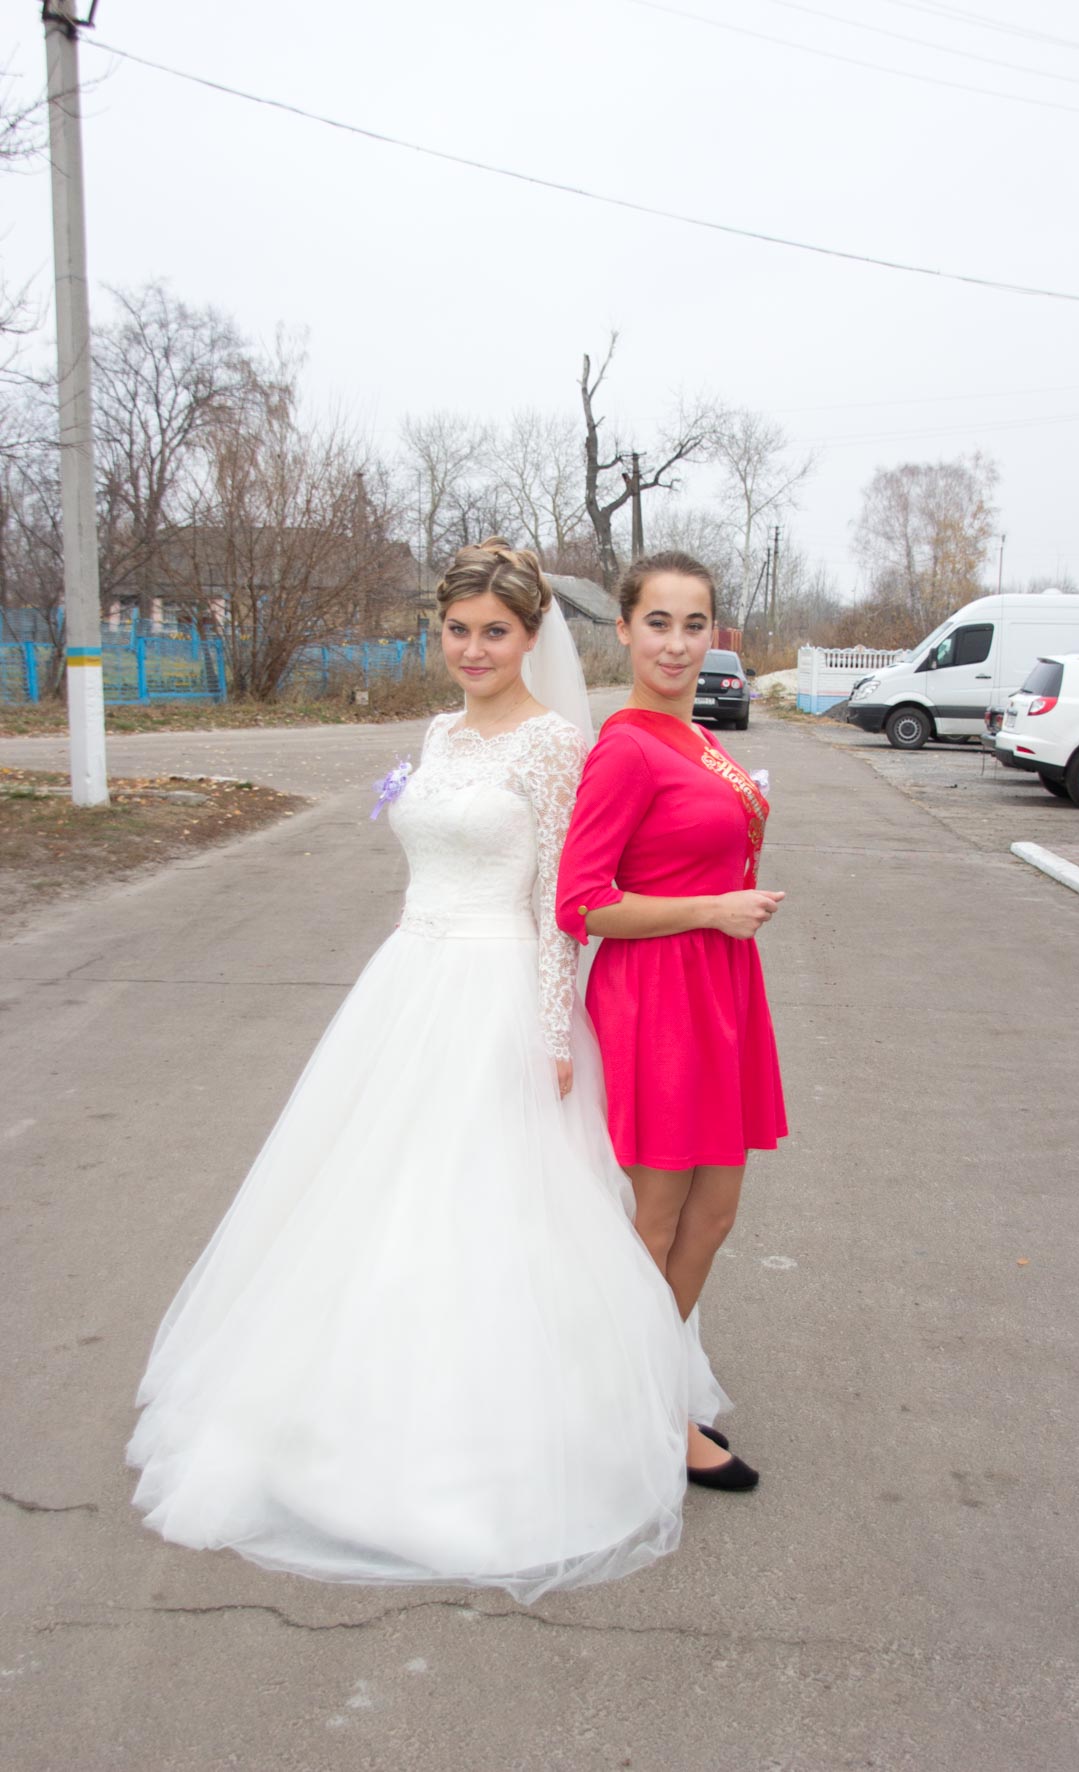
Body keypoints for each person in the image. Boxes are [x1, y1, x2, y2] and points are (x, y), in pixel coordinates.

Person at [128, 538, 711, 1602]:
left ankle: (511, 1427)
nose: (474, 649)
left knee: (487, 1203)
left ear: (530, 638)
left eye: (496, 632)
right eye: (457, 630)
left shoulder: (554, 746)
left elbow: (558, 902)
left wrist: (551, 1031)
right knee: (371, 1192)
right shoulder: (437, 732)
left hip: (499, 993)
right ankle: (345, 1407)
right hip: (408, 980)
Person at [556, 551, 788, 1492]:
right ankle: (635, 1412)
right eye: (657, 622)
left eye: (694, 625)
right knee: (654, 1218)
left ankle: (646, 1390)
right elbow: (582, 903)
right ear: (623, 630)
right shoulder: (626, 746)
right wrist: (709, 909)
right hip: (656, 995)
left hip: (718, 989)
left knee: (715, 1212)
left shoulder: (696, 738)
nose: (676, 644)